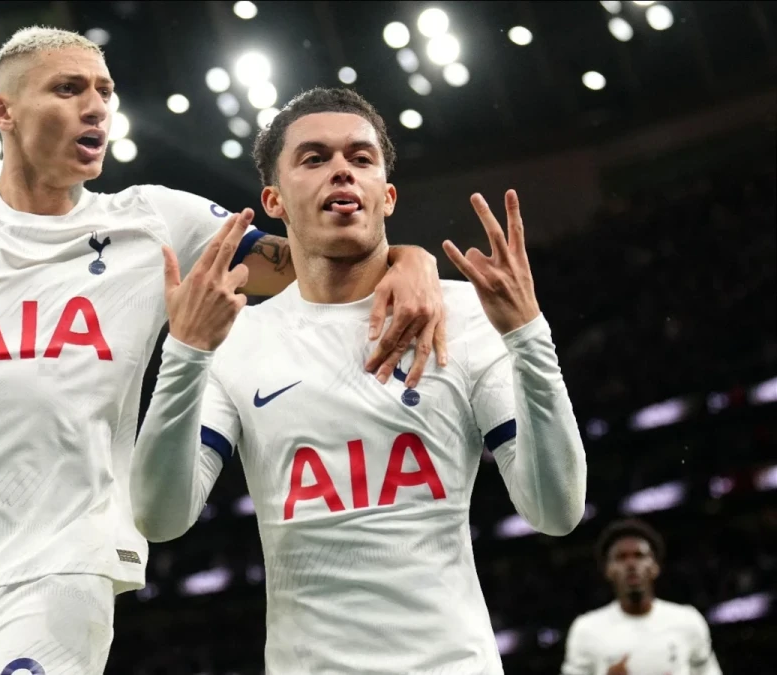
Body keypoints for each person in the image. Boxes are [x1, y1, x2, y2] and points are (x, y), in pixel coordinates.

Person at [0, 27, 447, 675]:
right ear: (4, 111)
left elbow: (316, 259)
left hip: (63, 566)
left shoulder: (154, 222)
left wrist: (408, 258)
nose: (96, 107)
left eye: (104, 92)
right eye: (68, 88)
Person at [130, 87, 588, 674]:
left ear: (387, 195)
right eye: (314, 158)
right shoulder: (237, 341)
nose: (342, 170)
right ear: (274, 198)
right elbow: (159, 518)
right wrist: (186, 353)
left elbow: (557, 511)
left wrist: (529, 336)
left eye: (361, 158)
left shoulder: (467, 316)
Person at [562, 519, 722, 675]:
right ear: (608, 570)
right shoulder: (586, 630)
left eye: (639, 555)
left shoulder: (688, 620)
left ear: (654, 567)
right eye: (621, 557)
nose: (631, 565)